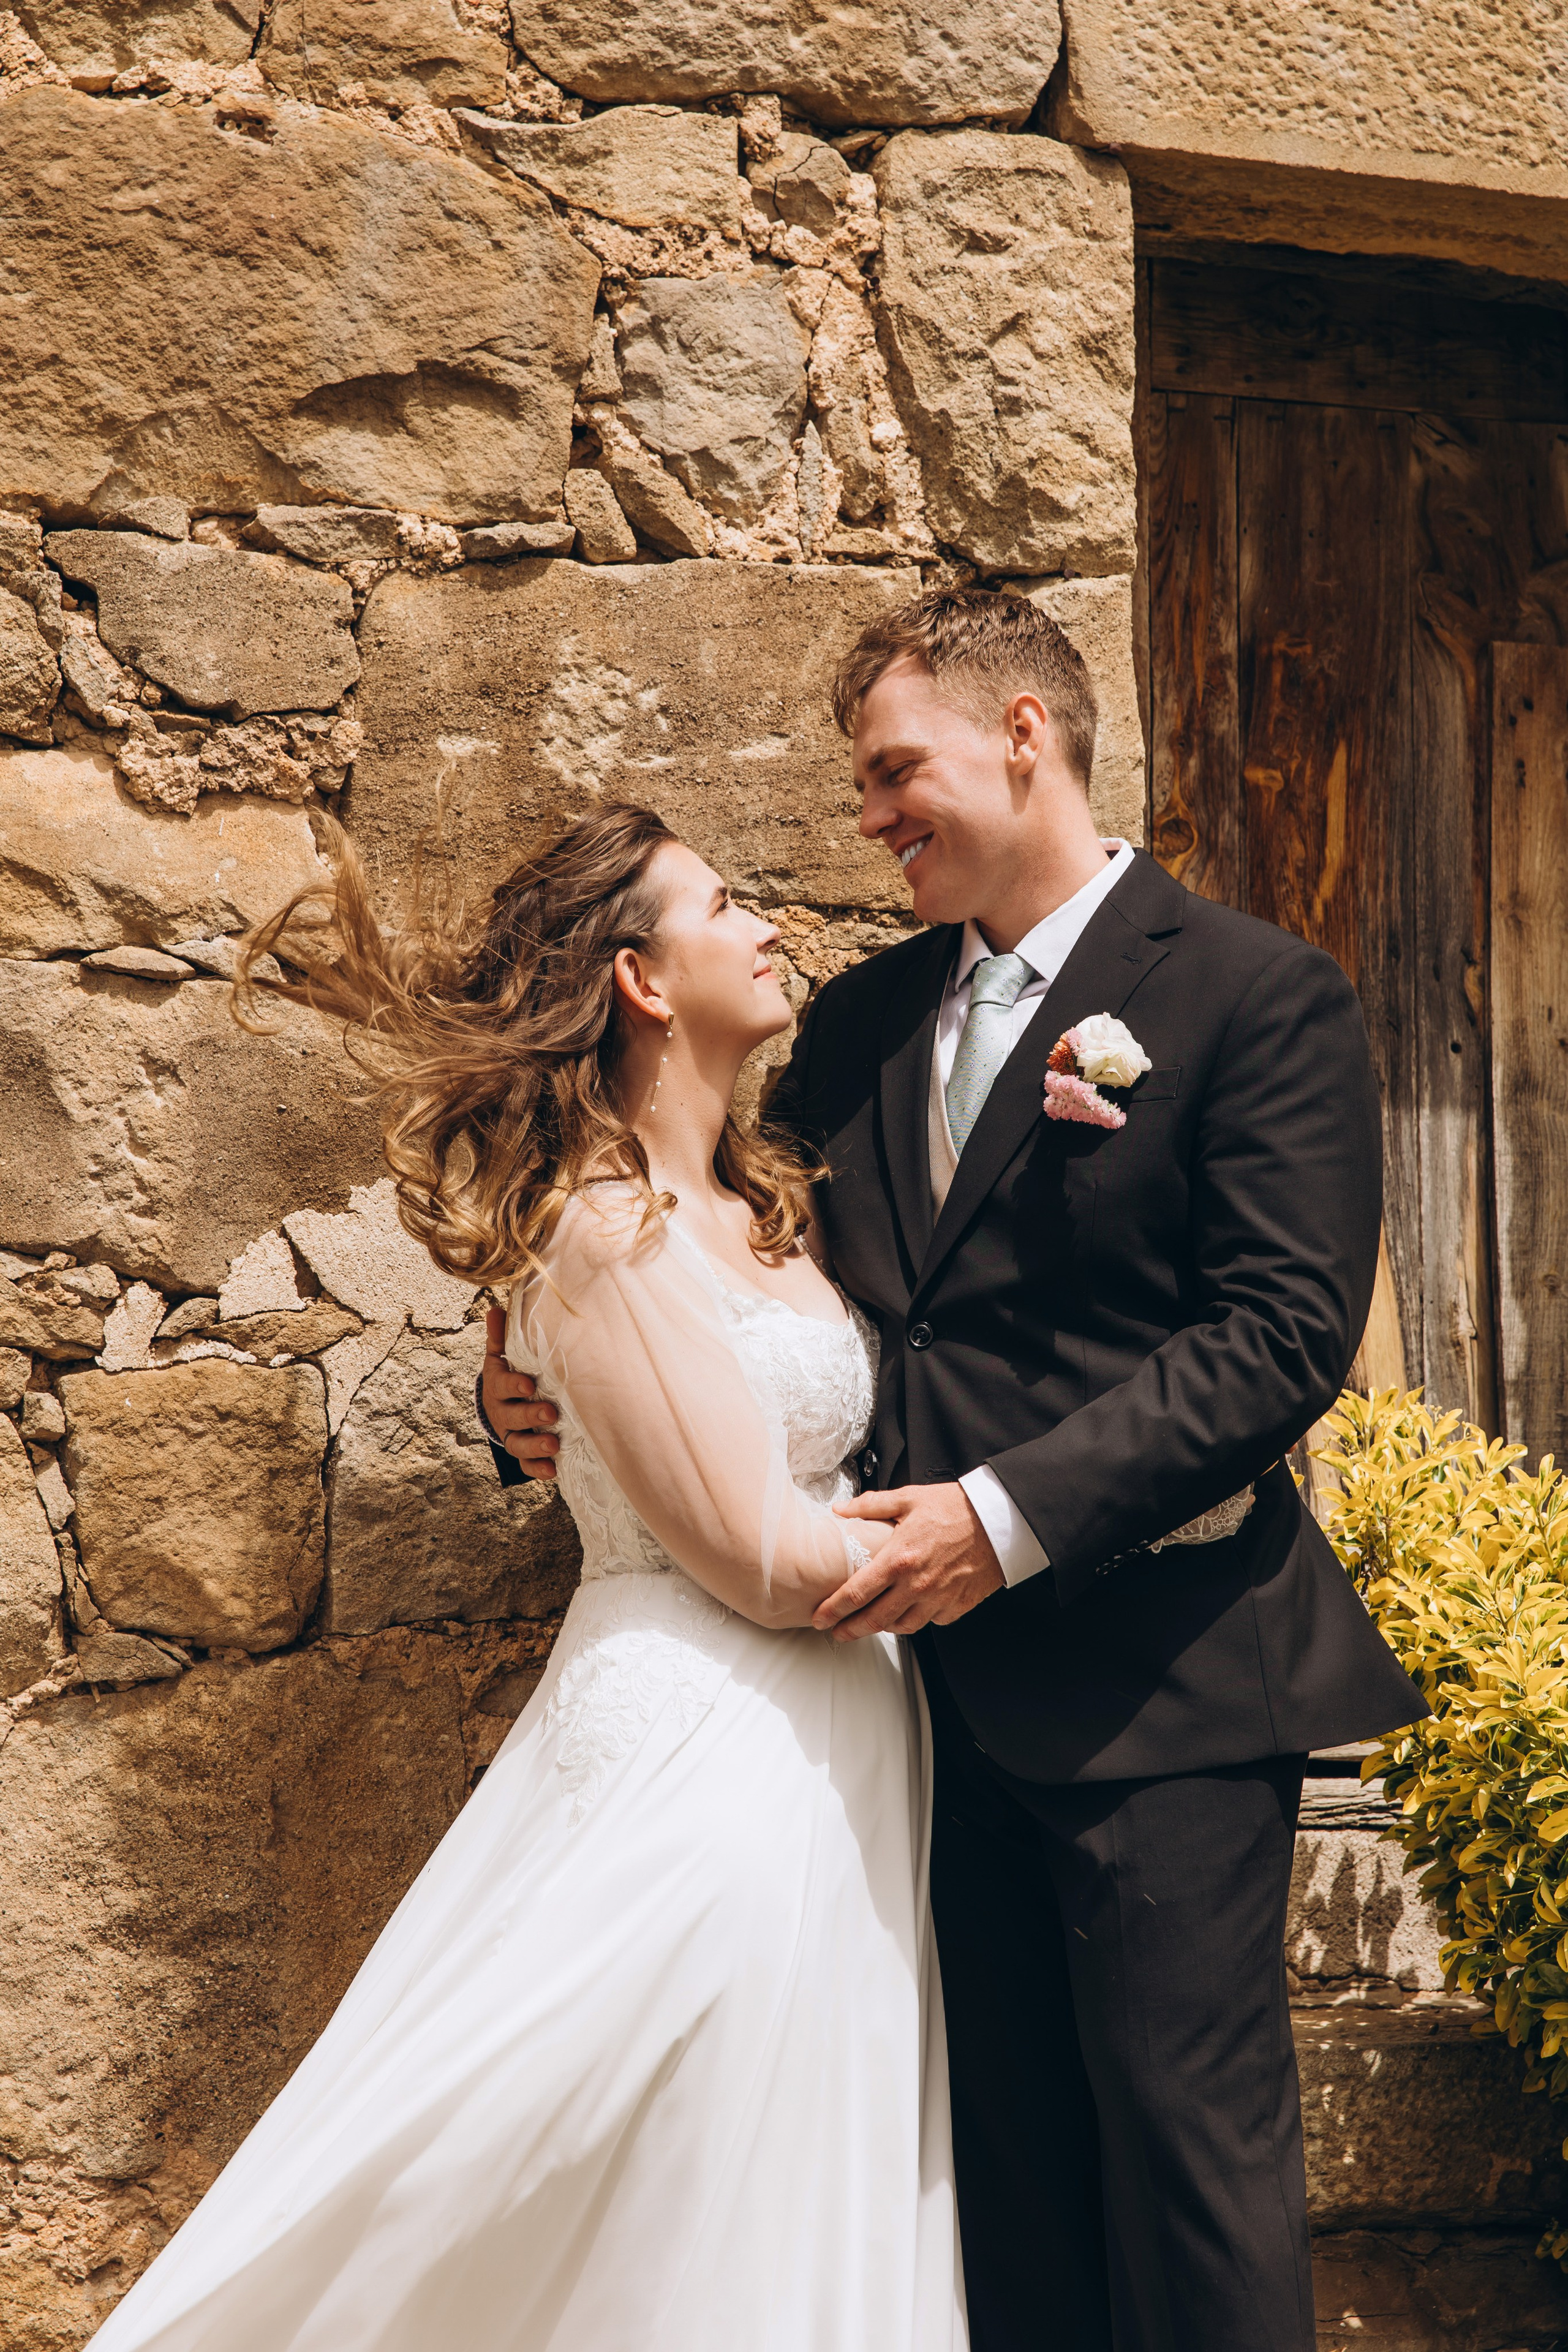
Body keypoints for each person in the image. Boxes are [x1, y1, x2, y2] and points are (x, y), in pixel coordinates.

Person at [483, 587, 1426, 2352]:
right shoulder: (856, 1028)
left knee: (1186, 2167)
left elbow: (1283, 1337)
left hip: (1166, 1688)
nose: (869, 817)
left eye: (893, 769)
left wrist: (1004, 1523)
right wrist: (524, 1373)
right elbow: (707, 1268)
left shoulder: (1254, 996)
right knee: (992, 2188)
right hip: (912, 1726)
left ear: (1021, 735)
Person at [87, 802, 967, 2352]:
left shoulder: (765, 1200)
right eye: (723, 902)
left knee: (786, 2179)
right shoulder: (605, 1228)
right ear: (639, 978)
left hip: (835, 1745)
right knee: (604, 2148)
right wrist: (993, 1541)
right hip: (708, 1745)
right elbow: (758, 1556)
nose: (770, 926)